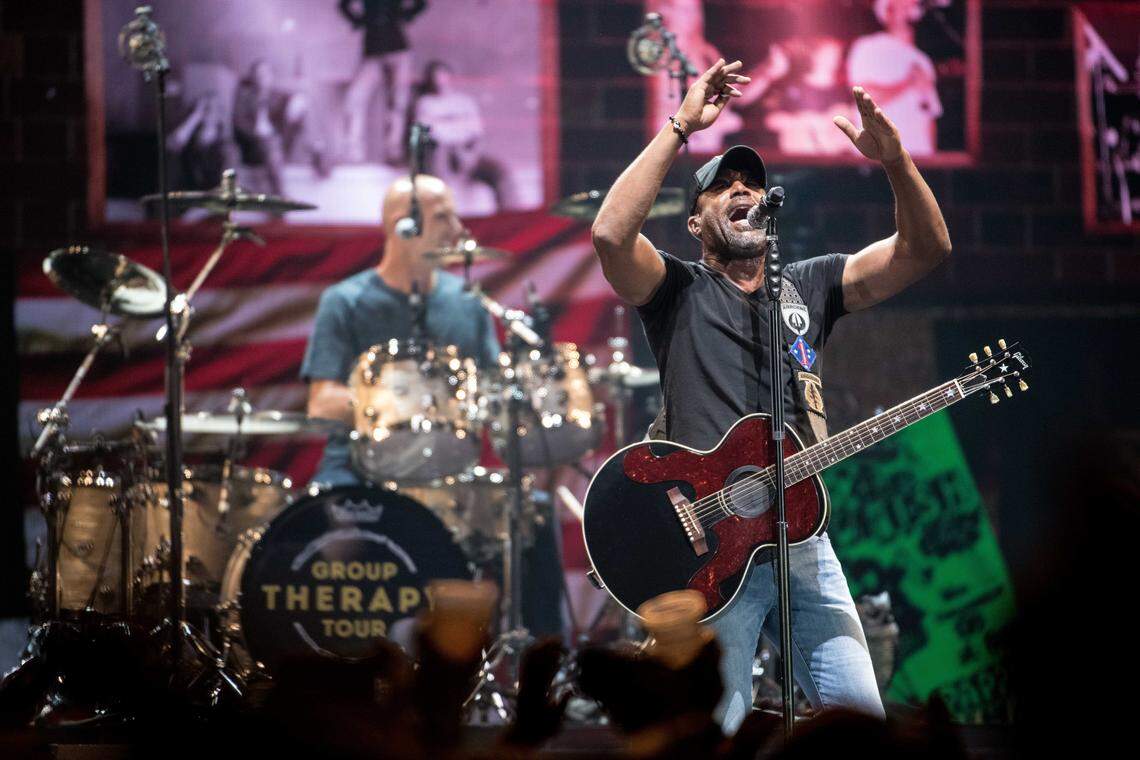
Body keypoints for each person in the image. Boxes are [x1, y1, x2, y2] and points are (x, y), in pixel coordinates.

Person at [590, 59, 951, 731]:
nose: (741, 191)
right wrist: (679, 126)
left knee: (861, 725)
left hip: (801, 538)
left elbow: (924, 251)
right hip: (709, 555)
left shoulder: (808, 286)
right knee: (709, 732)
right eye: (722, 186)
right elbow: (611, 235)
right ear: (695, 224)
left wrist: (897, 161)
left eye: (751, 182)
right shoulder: (677, 291)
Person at [301, 175, 563, 636]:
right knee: (329, 534)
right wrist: (402, 407)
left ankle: (552, 674)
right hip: (357, 468)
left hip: (448, 474)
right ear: (401, 223)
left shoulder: (467, 302)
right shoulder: (343, 301)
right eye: (443, 216)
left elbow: (489, 387)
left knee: (534, 512)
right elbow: (321, 402)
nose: (457, 227)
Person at [846, 0, 942, 156]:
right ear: (888, 12)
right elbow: (865, 99)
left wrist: (930, 158)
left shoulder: (923, 60)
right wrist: (907, 83)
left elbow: (929, 116)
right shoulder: (868, 47)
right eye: (902, 5)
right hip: (878, 157)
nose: (910, 7)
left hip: (916, 158)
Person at [339, 0, 427, 163]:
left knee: (397, 102)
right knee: (355, 99)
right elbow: (344, 5)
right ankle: (353, 152)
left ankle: (393, 150)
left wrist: (403, 16)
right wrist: (360, 21)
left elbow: (421, 3)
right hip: (373, 50)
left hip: (397, 49)